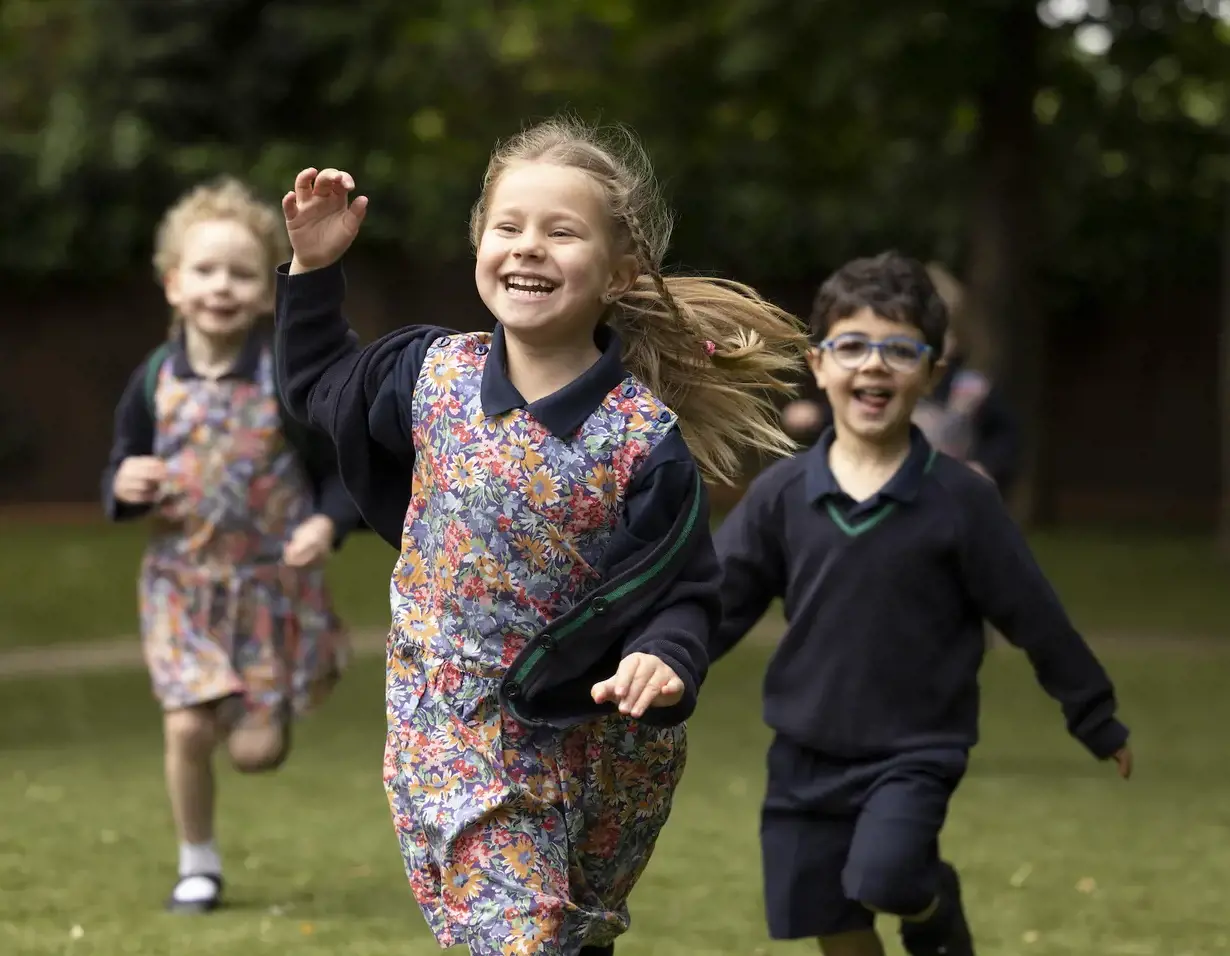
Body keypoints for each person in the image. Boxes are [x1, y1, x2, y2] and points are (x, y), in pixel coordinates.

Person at [271, 117, 810, 955]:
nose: (529, 248)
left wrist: (665, 656)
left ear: (619, 271)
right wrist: (314, 268)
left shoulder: (642, 439)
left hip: (604, 751)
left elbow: (685, 588)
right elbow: (318, 386)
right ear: (480, 243)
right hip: (454, 727)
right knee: (518, 936)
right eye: (509, 226)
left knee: (569, 937)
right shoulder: (429, 376)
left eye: (562, 232)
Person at [709, 251, 1132, 956]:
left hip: (913, 752)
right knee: (835, 924)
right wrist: (652, 669)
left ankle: (936, 901)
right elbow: (713, 605)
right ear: (818, 364)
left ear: (933, 372)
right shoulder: (781, 495)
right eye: (851, 346)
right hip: (803, 753)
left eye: (899, 350)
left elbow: (1035, 616)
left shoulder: (962, 502)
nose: (873, 366)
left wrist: (1095, 716)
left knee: (888, 877)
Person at [101, 177, 360, 914]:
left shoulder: (284, 382)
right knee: (185, 725)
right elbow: (117, 470)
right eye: (206, 270)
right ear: (174, 283)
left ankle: (272, 698)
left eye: (242, 273)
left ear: (264, 293)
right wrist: (127, 481)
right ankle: (197, 863)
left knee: (256, 753)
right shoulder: (153, 382)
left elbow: (339, 474)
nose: (223, 286)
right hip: (183, 585)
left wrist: (325, 523)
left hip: (272, 590)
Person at [780, 263, 1021, 495]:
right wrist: (817, 415)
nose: (877, 364)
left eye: (937, 336)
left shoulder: (972, 389)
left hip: (948, 496)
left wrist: (986, 466)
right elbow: (851, 413)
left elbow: (1006, 437)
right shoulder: (784, 491)